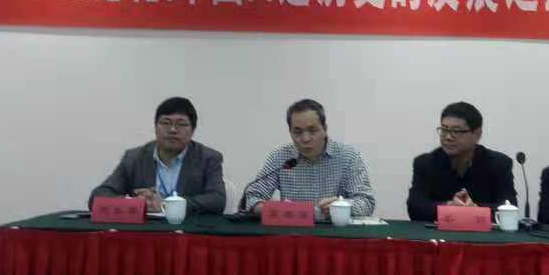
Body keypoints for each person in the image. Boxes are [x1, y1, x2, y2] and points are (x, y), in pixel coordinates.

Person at [89, 97, 225, 215]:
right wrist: (135, 203)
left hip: (188, 231)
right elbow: (98, 196)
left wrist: (168, 205)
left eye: (181, 124)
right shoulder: (134, 158)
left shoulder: (208, 158)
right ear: (155, 127)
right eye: (165, 123)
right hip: (146, 232)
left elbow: (217, 200)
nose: (173, 130)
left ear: (193, 130)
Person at [243, 98, 375, 218]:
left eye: (312, 130)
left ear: (325, 129)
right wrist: (277, 209)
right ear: (290, 132)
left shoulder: (348, 157)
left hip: (334, 232)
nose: (305, 138)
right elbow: (253, 197)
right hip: (292, 232)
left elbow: (366, 203)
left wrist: (341, 206)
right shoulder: (280, 157)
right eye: (298, 132)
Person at [406, 101, 517, 221]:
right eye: (444, 130)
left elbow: (509, 206)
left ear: (477, 134)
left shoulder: (499, 164)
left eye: (456, 131)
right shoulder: (425, 163)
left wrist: (476, 210)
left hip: (483, 232)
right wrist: (449, 207)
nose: (448, 137)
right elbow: (415, 207)